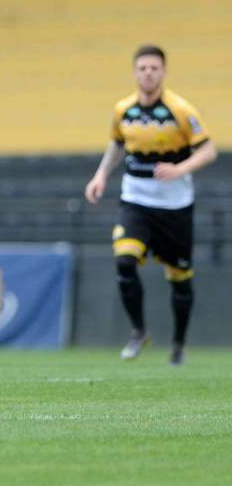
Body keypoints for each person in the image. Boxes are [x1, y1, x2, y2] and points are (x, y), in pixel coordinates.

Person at [84, 45, 216, 366]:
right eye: (142, 68)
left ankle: (179, 344)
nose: (148, 73)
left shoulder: (181, 110)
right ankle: (139, 331)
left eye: (154, 68)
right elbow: (117, 144)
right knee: (125, 261)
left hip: (175, 206)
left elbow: (208, 149)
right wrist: (101, 174)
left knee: (180, 278)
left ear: (164, 72)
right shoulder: (123, 110)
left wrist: (180, 169)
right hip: (136, 200)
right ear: (134, 72)